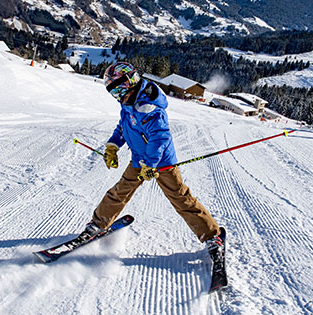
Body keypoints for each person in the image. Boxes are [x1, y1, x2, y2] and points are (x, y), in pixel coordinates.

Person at [80, 62, 224, 260]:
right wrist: (113, 145)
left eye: (117, 90)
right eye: (112, 92)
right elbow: (124, 126)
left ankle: (212, 236)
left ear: (128, 83)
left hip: (161, 162)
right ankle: (98, 224)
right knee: (120, 191)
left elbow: (160, 138)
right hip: (140, 159)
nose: (116, 96)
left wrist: (151, 163)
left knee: (180, 197)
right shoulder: (129, 102)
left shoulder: (148, 107)